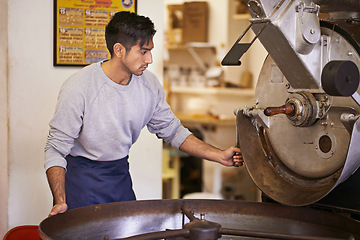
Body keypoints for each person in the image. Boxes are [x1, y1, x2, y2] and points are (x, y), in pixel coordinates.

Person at [45, 11, 243, 217]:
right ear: (119, 50)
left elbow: (174, 131)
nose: (149, 59)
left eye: (150, 50)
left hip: (119, 177)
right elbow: (55, 149)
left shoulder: (149, 85)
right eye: (143, 51)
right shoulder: (79, 88)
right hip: (81, 181)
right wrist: (60, 200)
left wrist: (219, 155)